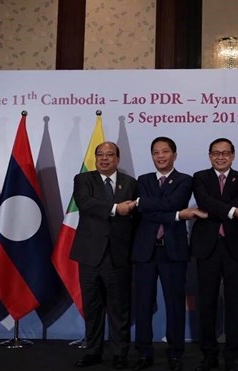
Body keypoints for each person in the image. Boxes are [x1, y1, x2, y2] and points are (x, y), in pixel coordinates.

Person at [132, 137, 206, 371]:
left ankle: (176, 353)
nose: (160, 156)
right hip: (145, 250)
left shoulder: (185, 180)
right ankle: (144, 352)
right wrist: (176, 215)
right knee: (143, 304)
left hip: (173, 250)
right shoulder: (142, 180)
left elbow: (173, 201)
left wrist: (148, 203)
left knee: (175, 304)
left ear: (175, 154)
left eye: (165, 152)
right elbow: (144, 211)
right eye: (156, 152)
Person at [70, 141, 138, 369]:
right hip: (90, 255)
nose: (105, 159)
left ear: (118, 159)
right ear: (95, 158)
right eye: (100, 155)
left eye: (110, 155)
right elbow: (85, 203)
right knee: (92, 307)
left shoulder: (130, 183)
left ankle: (119, 354)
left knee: (119, 309)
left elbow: (136, 218)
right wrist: (115, 209)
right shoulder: (83, 180)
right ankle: (93, 351)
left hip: (118, 255)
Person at [190, 138, 238, 371]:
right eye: (216, 153)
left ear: (233, 156)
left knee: (234, 303)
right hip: (207, 246)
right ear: (209, 156)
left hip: (234, 246)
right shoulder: (200, 177)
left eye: (226, 153)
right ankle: (209, 354)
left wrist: (223, 209)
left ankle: (232, 356)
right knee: (206, 302)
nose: (221, 157)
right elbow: (204, 201)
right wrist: (233, 211)